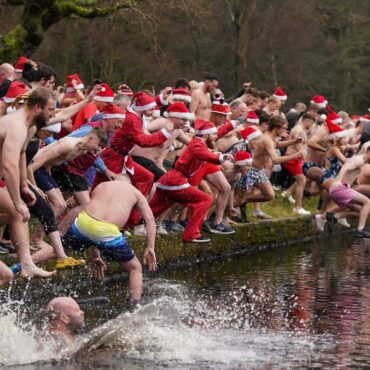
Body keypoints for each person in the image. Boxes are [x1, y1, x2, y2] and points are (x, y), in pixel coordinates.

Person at [61, 178, 157, 303]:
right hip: (107, 231)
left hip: (84, 222)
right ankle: (134, 306)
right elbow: (150, 219)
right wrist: (150, 247)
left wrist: (96, 256)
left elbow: (95, 220)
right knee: (135, 268)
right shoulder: (135, 192)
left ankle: (29, 263)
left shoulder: (102, 185)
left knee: (57, 250)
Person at [0, 87, 57, 278]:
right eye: (51, 110)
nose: (54, 114)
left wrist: (24, 185)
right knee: (16, 210)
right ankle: (26, 263)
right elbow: (8, 165)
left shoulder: (30, 126)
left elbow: (22, 154)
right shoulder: (15, 125)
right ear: (37, 108)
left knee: (17, 214)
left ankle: (27, 264)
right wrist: (17, 200)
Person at [281, 113, 315, 215]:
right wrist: (303, 158)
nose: (312, 125)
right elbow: (298, 146)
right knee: (302, 180)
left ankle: (287, 193)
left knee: (302, 179)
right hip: (292, 159)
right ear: (306, 120)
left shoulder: (300, 129)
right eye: (312, 122)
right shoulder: (298, 130)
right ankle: (298, 207)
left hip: (295, 158)